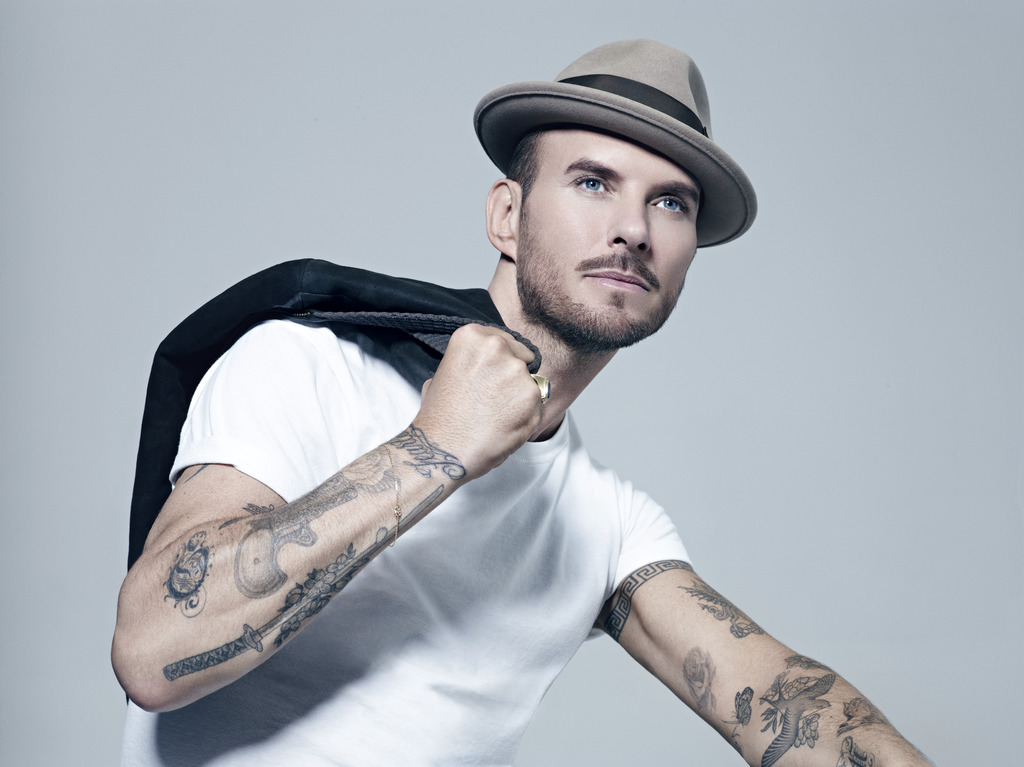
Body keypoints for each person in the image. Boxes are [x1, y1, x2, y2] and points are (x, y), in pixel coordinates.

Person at [112, 39, 931, 766]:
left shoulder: (605, 523)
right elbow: (152, 652)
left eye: (670, 201)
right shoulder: (308, 365)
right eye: (593, 182)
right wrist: (436, 447)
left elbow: (784, 700)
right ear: (508, 216)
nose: (634, 229)